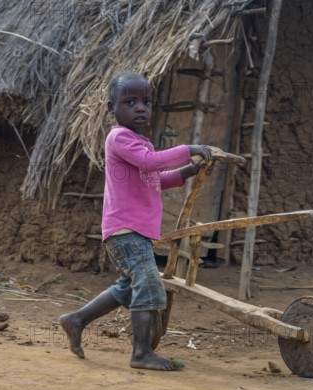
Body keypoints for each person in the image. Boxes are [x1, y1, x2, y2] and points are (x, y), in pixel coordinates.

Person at [60, 72, 211, 371]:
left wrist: (189, 171)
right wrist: (188, 149)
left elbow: (154, 178)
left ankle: (76, 320)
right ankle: (141, 353)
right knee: (149, 285)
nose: (141, 108)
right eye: (130, 102)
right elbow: (149, 163)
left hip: (132, 232)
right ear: (111, 108)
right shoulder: (120, 138)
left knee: (127, 289)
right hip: (126, 231)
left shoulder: (139, 142)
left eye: (146, 102)